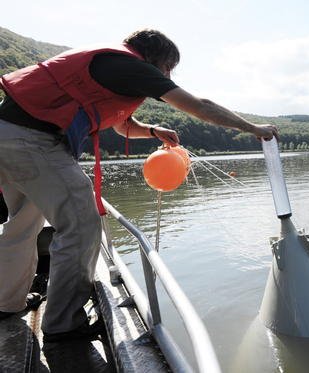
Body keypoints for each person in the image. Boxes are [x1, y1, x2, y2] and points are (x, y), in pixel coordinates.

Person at [0, 29, 278, 342]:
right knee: (82, 224)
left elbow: (122, 125)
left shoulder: (111, 66)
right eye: (169, 67)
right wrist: (254, 128)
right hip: (34, 140)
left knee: (23, 223)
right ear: (156, 58)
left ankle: (6, 302)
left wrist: (153, 131)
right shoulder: (131, 66)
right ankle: (63, 325)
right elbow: (200, 106)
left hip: (7, 133)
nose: (168, 74)